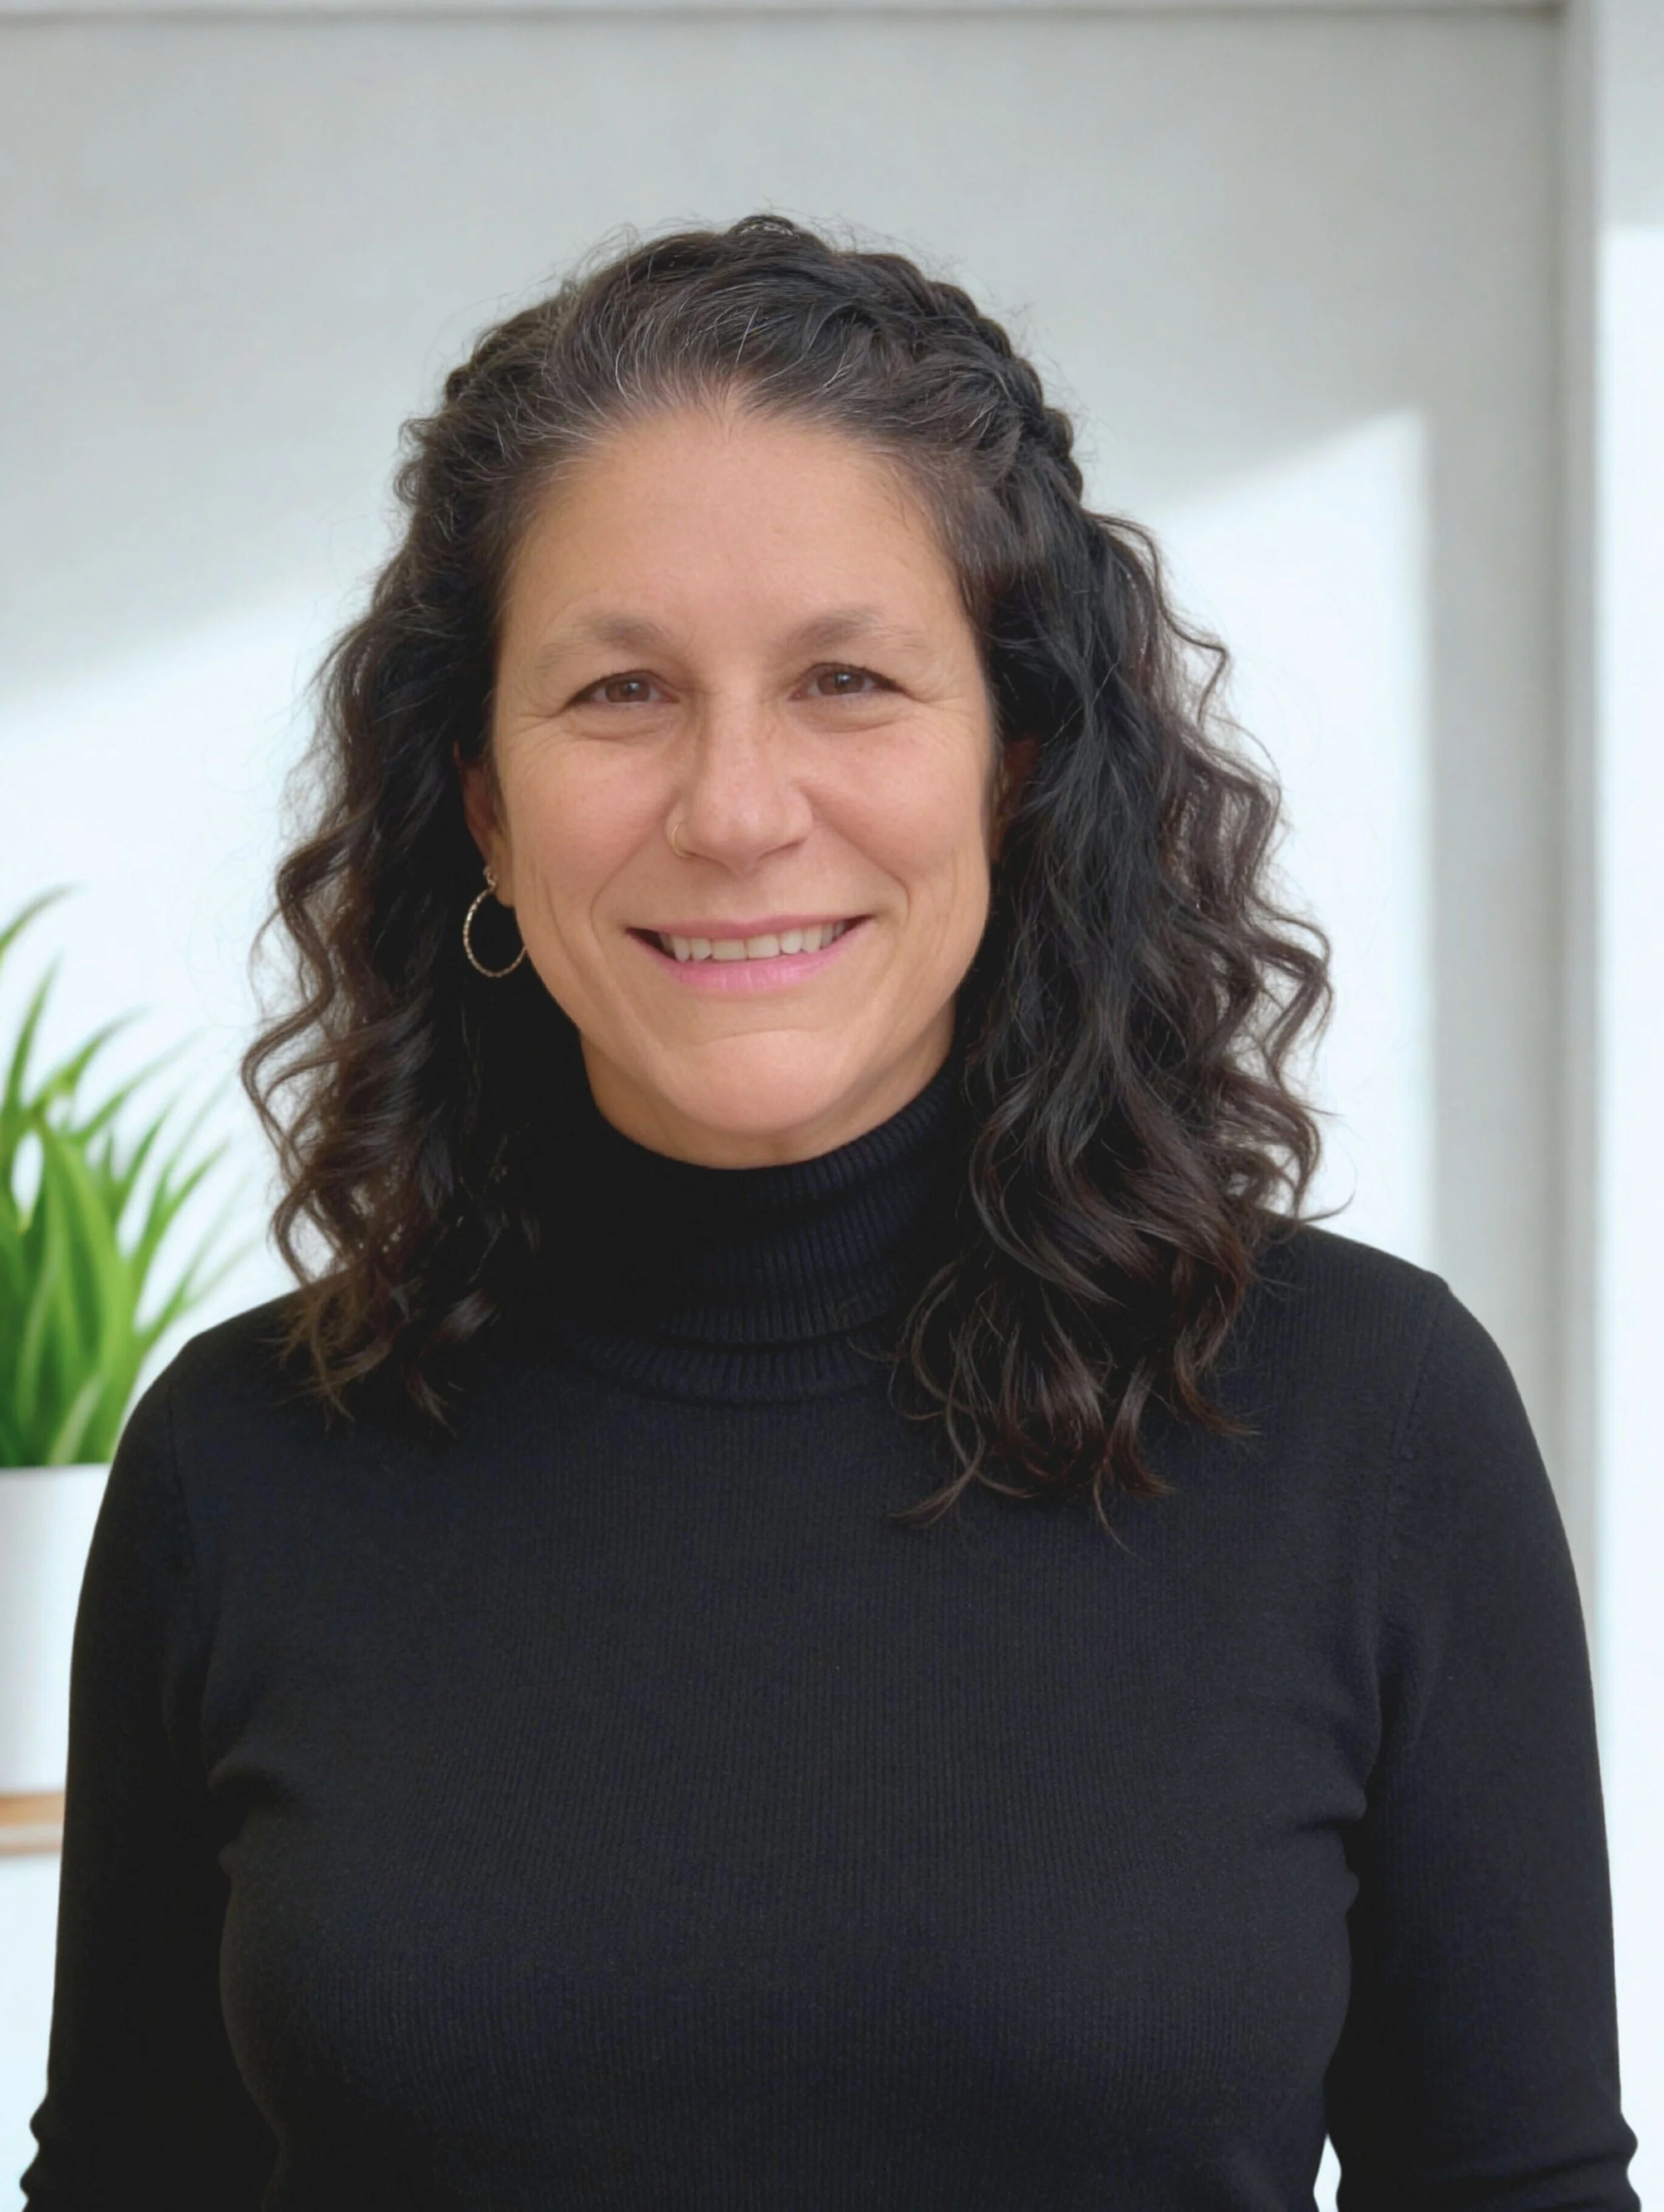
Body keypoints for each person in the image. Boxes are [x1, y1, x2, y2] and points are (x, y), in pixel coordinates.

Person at [22, 214, 1638, 2209]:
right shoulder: (243, 1462)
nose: (732, 807)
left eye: (847, 681)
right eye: (619, 691)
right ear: (484, 806)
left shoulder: (1366, 1424)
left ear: (1014, 764)